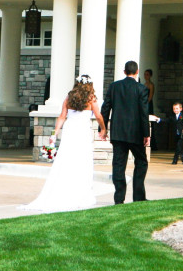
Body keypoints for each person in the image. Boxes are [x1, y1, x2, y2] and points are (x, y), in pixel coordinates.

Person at [21, 75, 107, 212]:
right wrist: (103, 128)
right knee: (82, 161)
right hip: (82, 132)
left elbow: (62, 117)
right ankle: (81, 193)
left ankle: (64, 189)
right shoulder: (91, 99)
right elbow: (98, 115)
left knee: (66, 160)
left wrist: (54, 134)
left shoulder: (69, 97)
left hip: (70, 130)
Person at [101, 60, 150, 204]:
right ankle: (139, 197)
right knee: (141, 162)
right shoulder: (141, 89)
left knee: (118, 164)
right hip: (136, 133)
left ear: (124, 72)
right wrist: (146, 134)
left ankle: (119, 198)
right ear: (137, 72)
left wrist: (103, 129)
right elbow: (143, 113)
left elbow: (106, 108)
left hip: (118, 133)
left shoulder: (114, 86)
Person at [143, 68, 158, 149]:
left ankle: (153, 144)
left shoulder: (151, 85)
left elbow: (150, 96)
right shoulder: (144, 84)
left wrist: (146, 103)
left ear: (150, 76)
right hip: (144, 103)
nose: (146, 76)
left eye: (147, 74)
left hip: (148, 104)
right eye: (145, 74)